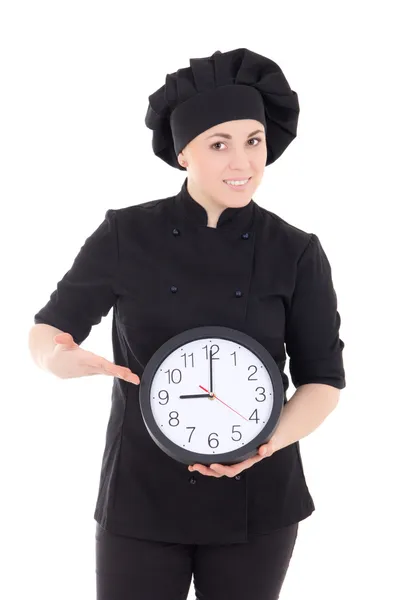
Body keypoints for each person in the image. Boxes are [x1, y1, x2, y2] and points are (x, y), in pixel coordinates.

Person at [29, 47, 346, 600]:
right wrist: (59, 360)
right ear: (183, 152)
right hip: (141, 497)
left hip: (259, 500)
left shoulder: (296, 251)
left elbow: (323, 382)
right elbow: (47, 333)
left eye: (254, 141)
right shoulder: (126, 235)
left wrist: (265, 444)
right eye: (219, 144)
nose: (242, 163)